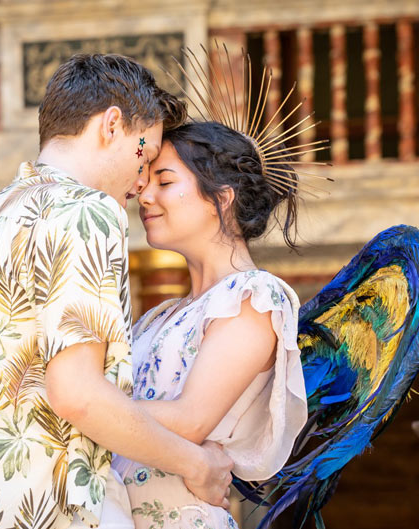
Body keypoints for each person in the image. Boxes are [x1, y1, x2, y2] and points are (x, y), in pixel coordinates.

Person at [0, 54, 234, 529]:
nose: (142, 183)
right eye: (146, 151)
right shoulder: (87, 211)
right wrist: (196, 463)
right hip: (58, 509)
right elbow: (78, 395)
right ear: (111, 125)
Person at [112, 121, 309, 529]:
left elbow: (190, 420)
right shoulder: (159, 315)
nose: (144, 196)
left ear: (222, 198)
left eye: (164, 182)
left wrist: (79, 403)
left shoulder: (255, 297)